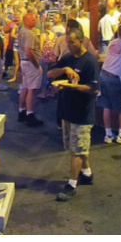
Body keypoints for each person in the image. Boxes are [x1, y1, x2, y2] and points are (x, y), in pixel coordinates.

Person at [47, 24, 98, 202]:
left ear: (81, 41)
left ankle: (71, 184)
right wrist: (63, 70)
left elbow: (94, 89)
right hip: (67, 111)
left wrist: (72, 86)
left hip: (83, 113)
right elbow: (50, 74)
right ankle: (87, 173)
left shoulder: (90, 61)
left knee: (76, 151)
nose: (68, 45)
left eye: (72, 42)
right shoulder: (68, 58)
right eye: (67, 42)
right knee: (77, 146)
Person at [16, 11, 44, 125]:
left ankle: (21, 111)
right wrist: (36, 64)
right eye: (33, 20)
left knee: (25, 88)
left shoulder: (22, 31)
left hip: (23, 62)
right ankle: (29, 114)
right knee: (31, 89)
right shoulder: (30, 34)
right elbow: (29, 51)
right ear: (26, 21)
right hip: (30, 63)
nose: (35, 21)